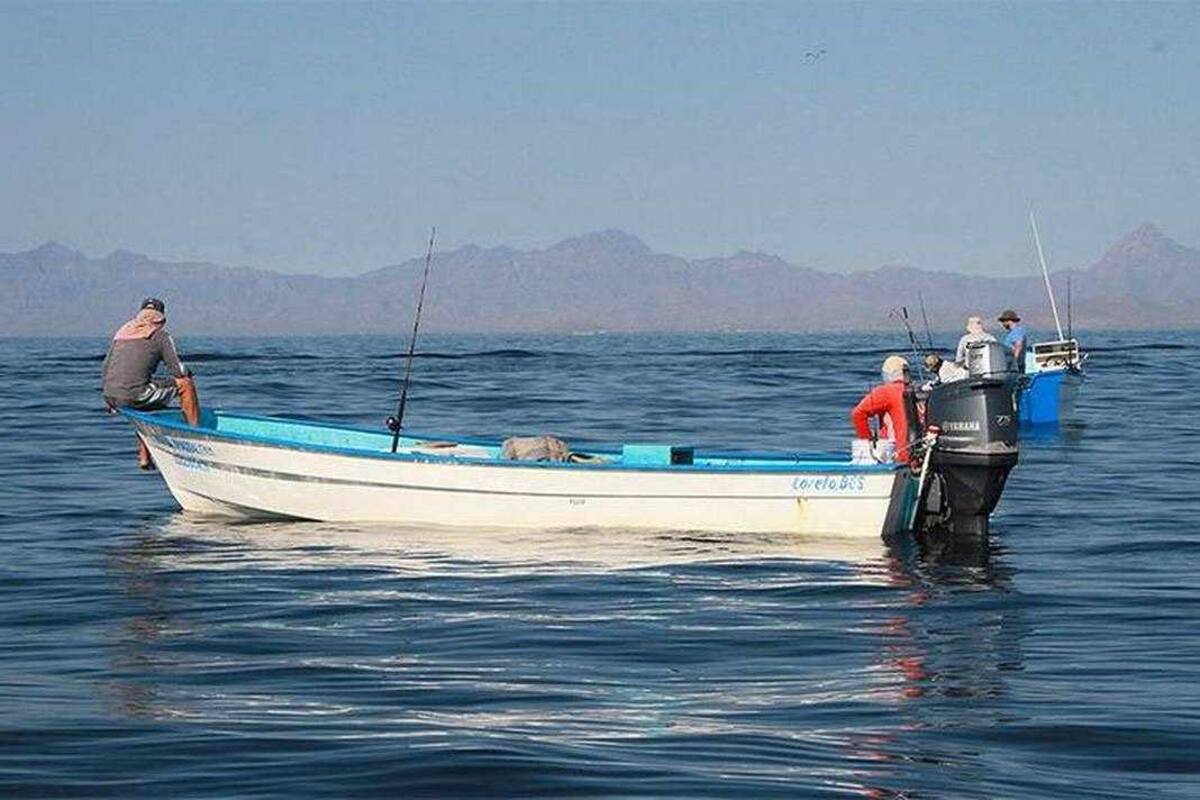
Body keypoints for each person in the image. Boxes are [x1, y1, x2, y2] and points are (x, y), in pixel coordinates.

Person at [102, 297, 201, 468]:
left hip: (110, 396)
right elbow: (178, 371)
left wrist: (110, 399)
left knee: (144, 402)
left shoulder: (121, 334)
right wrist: (189, 373)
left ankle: (144, 457)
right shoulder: (160, 336)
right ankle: (197, 439)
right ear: (162, 320)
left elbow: (106, 368)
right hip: (134, 394)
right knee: (185, 384)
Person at [850, 355, 920, 464]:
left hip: (898, 456)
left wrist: (868, 442)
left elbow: (858, 414)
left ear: (886, 375)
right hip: (920, 456)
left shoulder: (886, 392)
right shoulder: (920, 390)